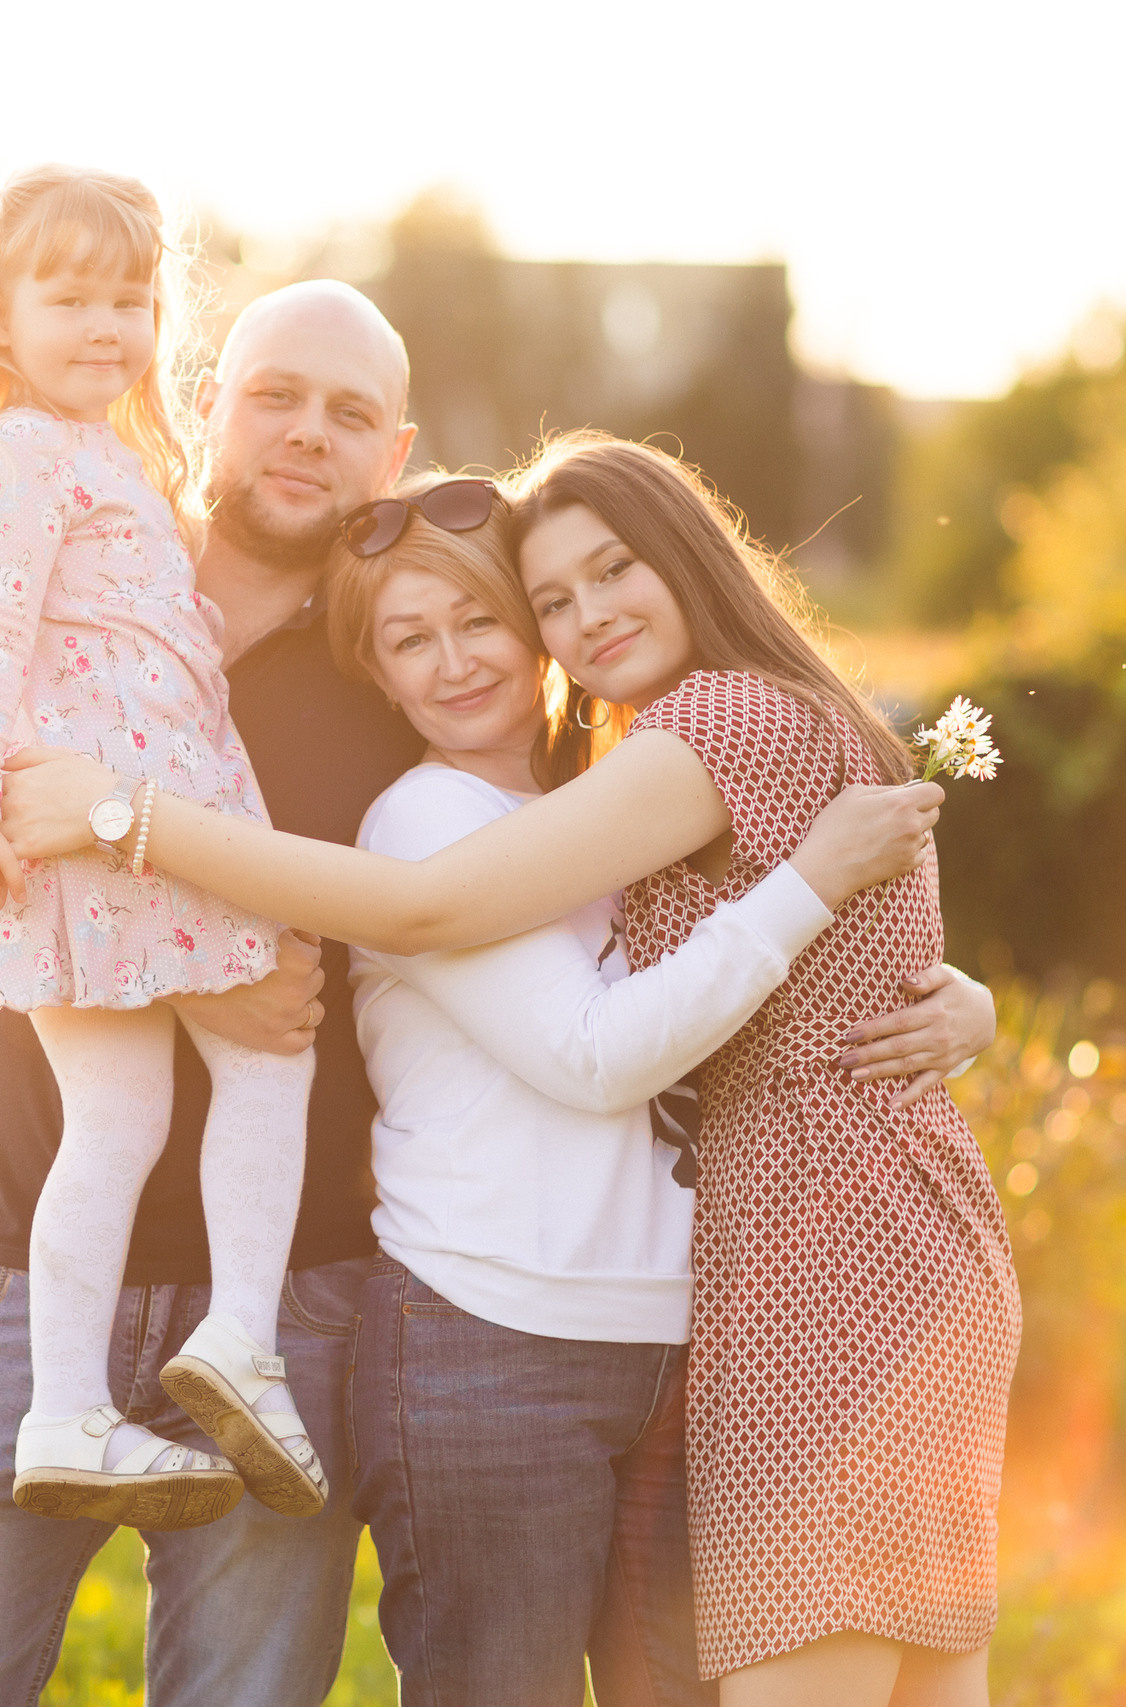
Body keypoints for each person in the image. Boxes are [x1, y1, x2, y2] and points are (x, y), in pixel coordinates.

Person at [0, 271, 994, 1703]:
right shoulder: (31, 595)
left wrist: (947, 991)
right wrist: (212, 976)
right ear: (206, 405)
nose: (307, 434)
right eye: (274, 395)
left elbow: (592, 879)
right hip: (14, 1254)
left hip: (290, 1298)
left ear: (397, 451)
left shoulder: (391, 671)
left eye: (351, 412)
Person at [320, 480, 949, 1707]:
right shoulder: (420, 822)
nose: (454, 663)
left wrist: (952, 1001)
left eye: (485, 620)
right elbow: (598, 1053)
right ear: (380, 677)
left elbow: (775, 989)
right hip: (490, 1338)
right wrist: (810, 881)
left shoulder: (612, 797)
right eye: (409, 641)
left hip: (678, 1339)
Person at [0, 165, 328, 1531]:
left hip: (136, 795)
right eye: (72, 295)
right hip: (97, 811)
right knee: (267, 1046)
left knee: (126, 1113)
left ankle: (73, 1408)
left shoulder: (119, 460)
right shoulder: (24, 450)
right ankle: (239, 1344)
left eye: (134, 299)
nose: (108, 324)